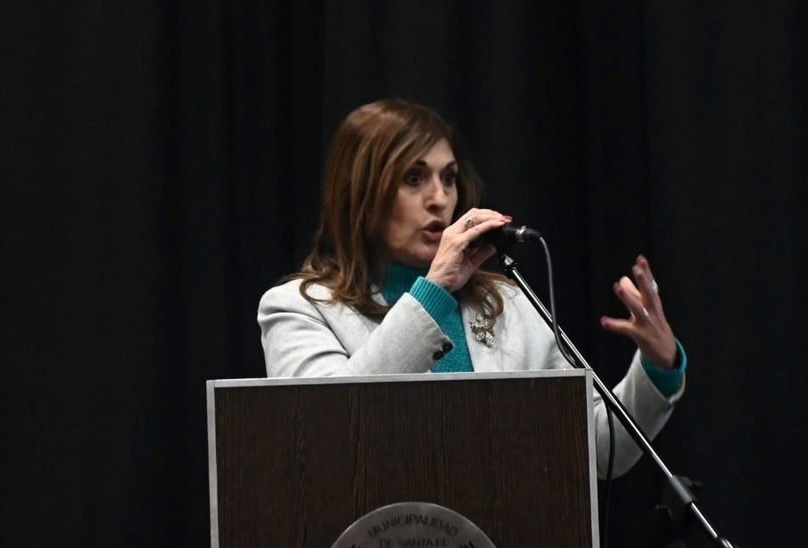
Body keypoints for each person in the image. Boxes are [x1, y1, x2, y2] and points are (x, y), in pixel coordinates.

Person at [257, 98, 686, 478]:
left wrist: (656, 368)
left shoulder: (509, 303)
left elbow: (593, 450)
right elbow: (326, 437)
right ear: (362, 194)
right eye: (413, 178)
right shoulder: (298, 308)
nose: (439, 198)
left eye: (449, 178)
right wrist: (432, 292)